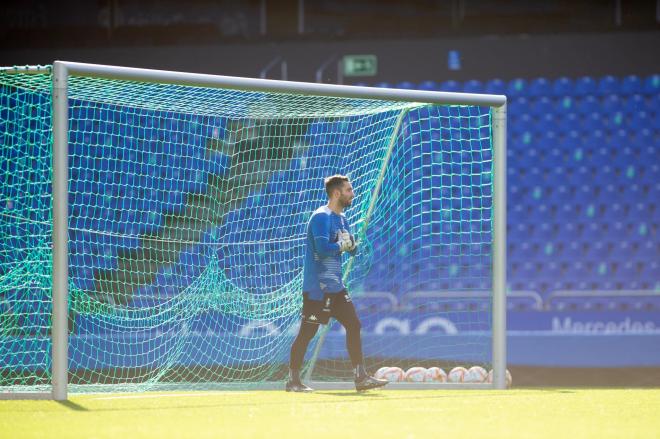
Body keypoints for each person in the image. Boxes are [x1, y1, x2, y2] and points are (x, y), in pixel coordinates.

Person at [286, 174, 388, 392]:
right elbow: (322, 250)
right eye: (349, 190)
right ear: (336, 193)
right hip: (318, 289)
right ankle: (293, 381)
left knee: (354, 325)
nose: (353, 194)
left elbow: (352, 250)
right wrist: (342, 245)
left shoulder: (342, 219)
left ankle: (360, 377)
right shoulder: (321, 217)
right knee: (307, 333)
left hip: (336, 287)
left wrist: (351, 245)